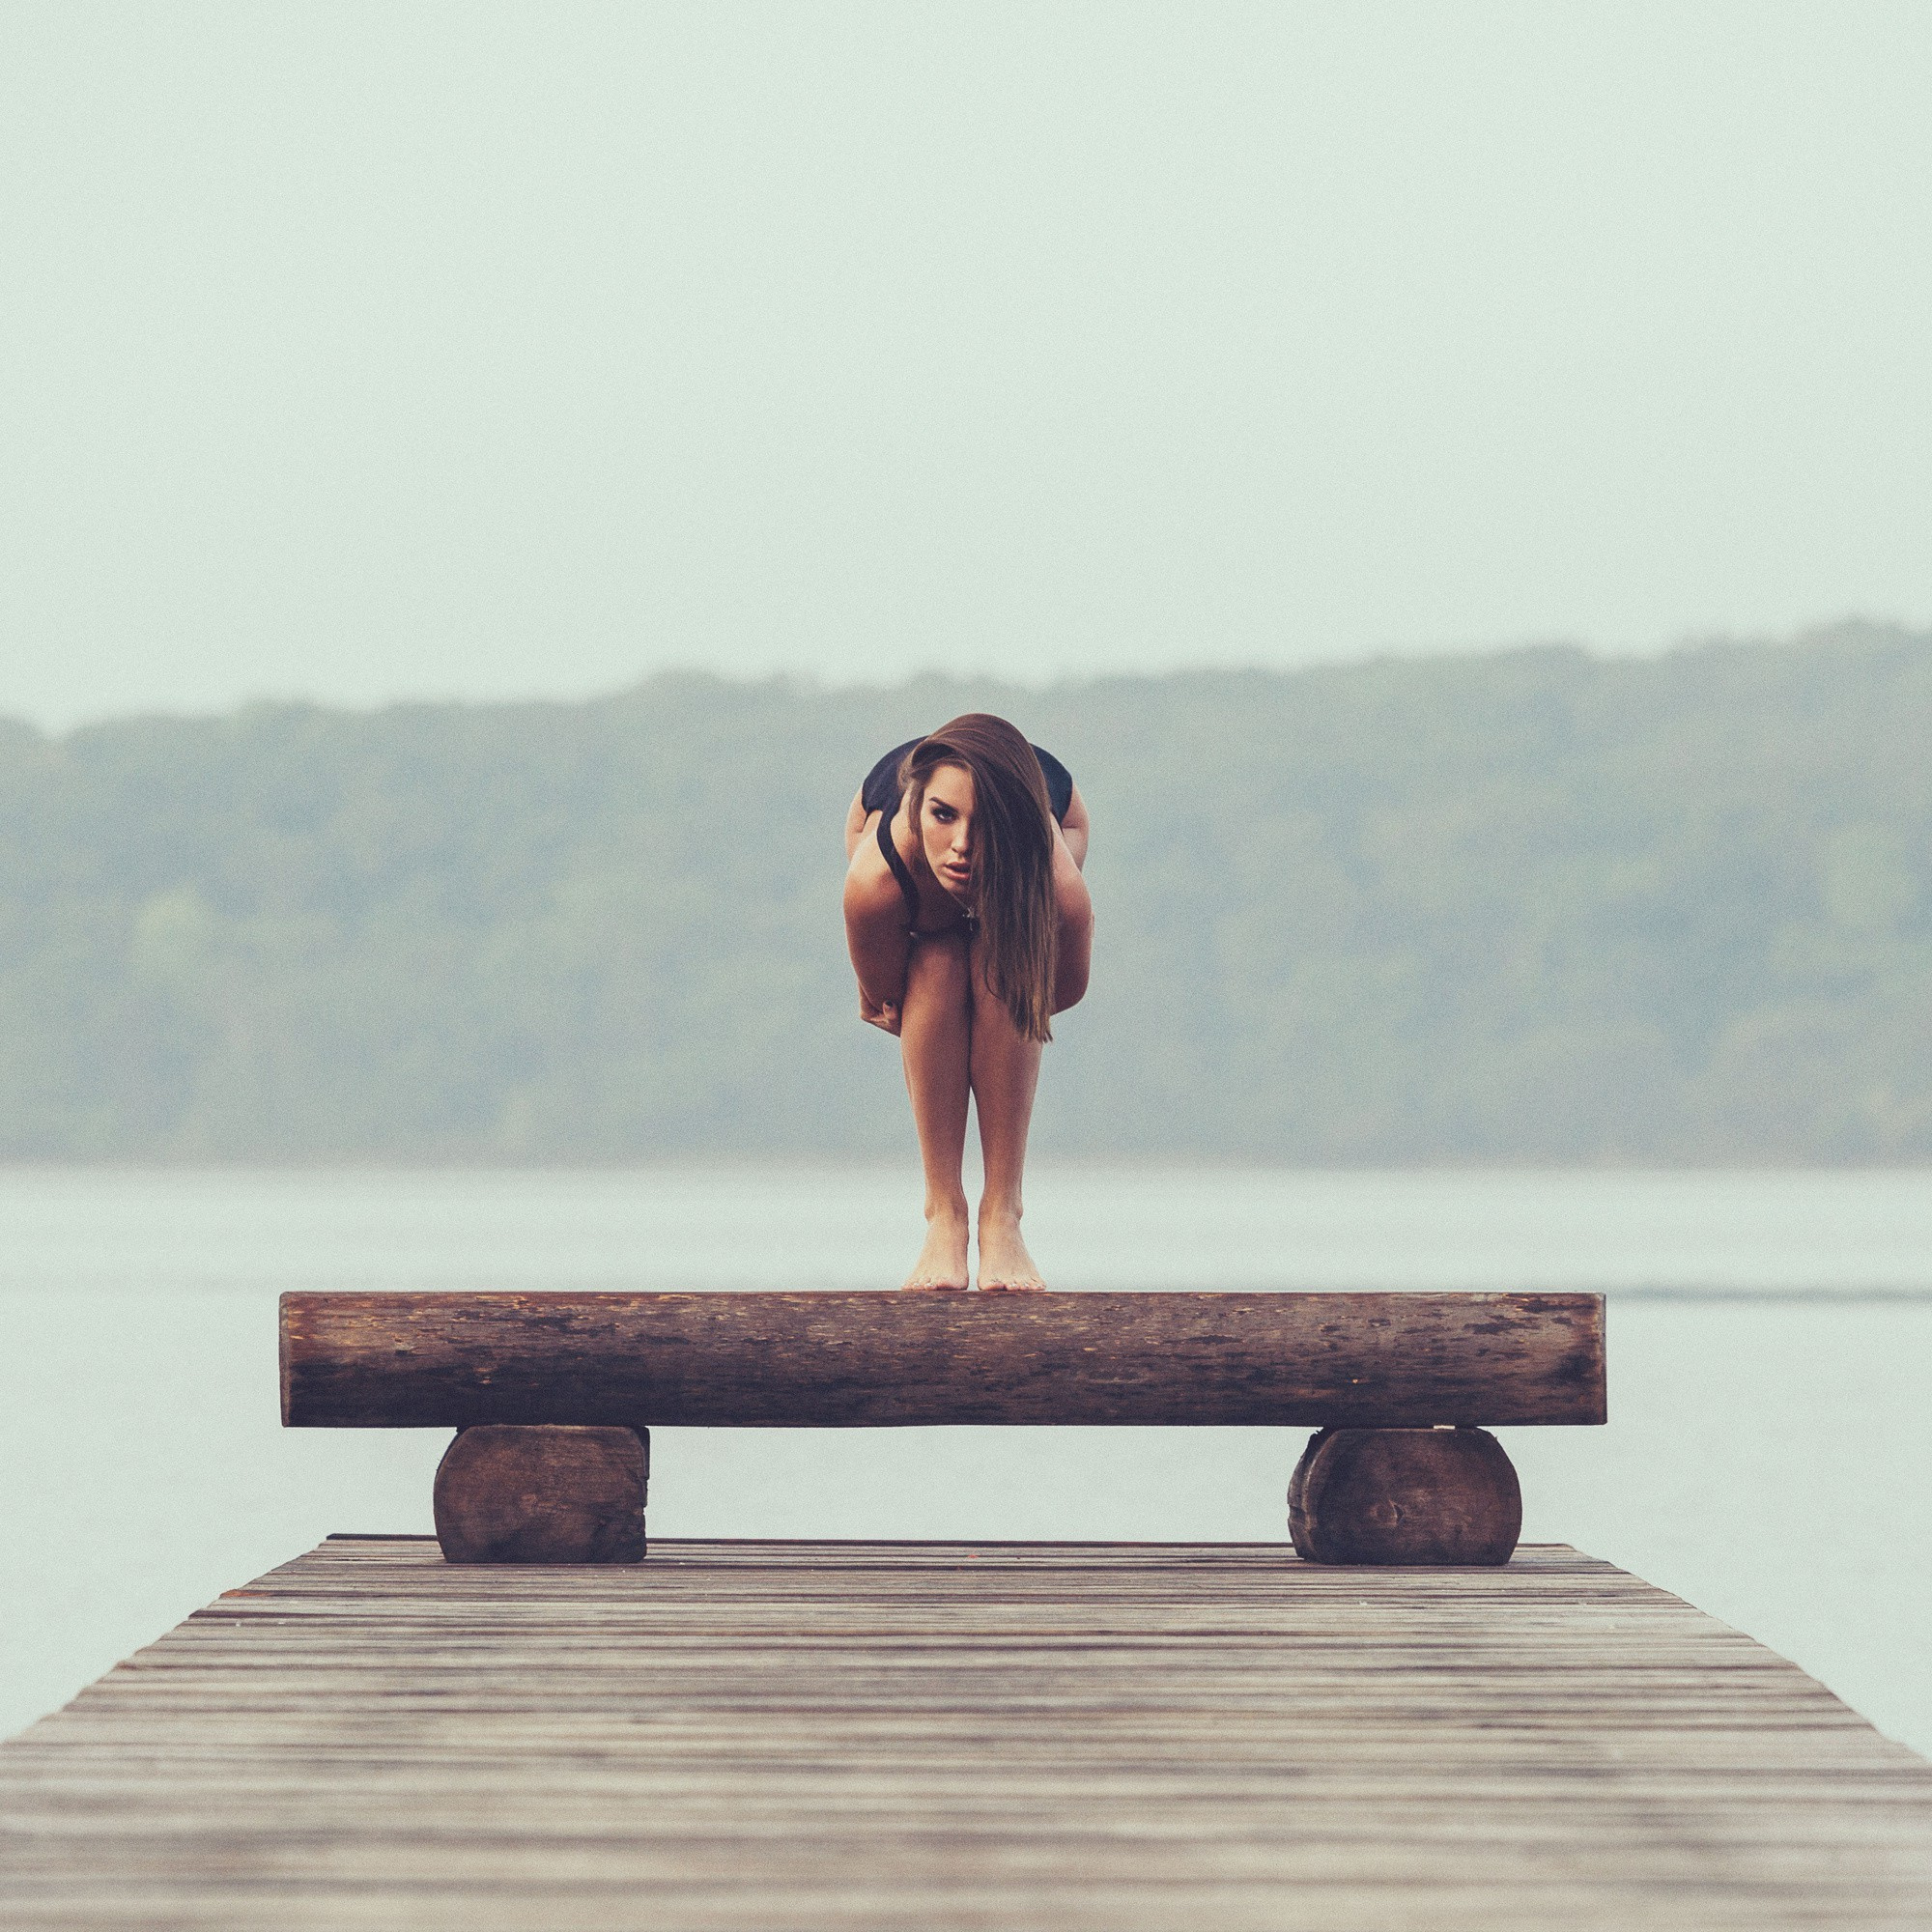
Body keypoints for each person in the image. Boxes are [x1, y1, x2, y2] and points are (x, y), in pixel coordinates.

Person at [842, 713, 1093, 1292]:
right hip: (885, 838)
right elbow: (883, 1005)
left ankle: (1003, 1215)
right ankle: (943, 1214)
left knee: (1003, 972)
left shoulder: (1059, 890)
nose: (961, 846)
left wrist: (994, 971)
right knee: (934, 964)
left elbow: (1060, 993)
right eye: (943, 815)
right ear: (920, 807)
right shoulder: (875, 881)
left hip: (1052, 817)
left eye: (983, 825)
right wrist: (948, 956)